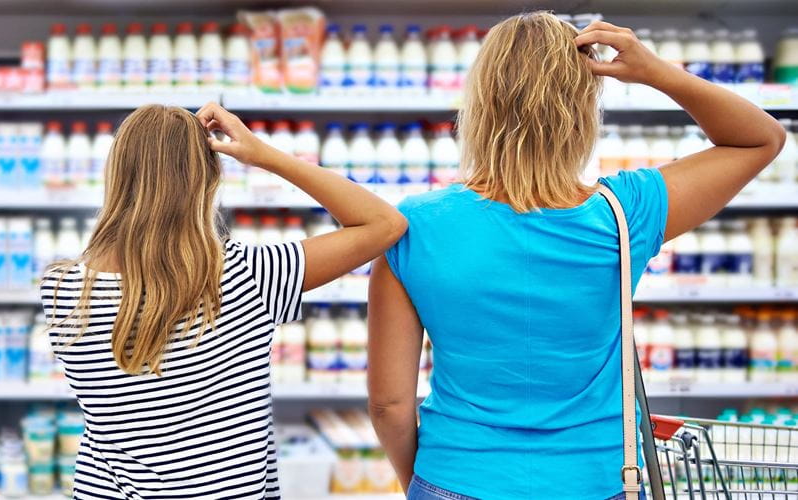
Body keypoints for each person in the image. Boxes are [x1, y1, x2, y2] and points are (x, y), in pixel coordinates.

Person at [366, 12, 786, 500]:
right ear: (584, 106)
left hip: (457, 475)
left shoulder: (414, 225)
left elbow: (389, 405)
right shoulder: (627, 212)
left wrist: (428, 482)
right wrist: (656, 71)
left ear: (479, 103)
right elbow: (761, 138)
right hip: (597, 481)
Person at [41, 103, 406, 498]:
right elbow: (384, 223)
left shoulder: (62, 289)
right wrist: (263, 155)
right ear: (207, 182)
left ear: (114, 175)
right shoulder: (249, 276)